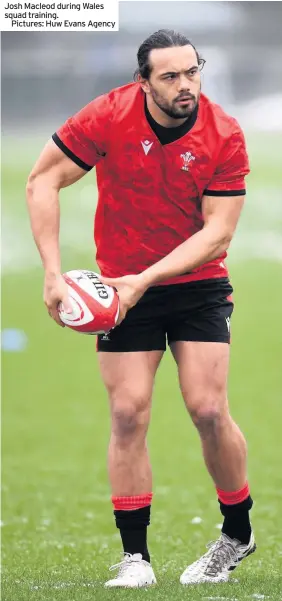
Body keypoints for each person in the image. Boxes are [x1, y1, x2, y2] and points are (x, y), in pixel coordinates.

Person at [26, 29, 256, 588]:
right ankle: (136, 559)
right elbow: (43, 180)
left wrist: (142, 281)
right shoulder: (108, 115)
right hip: (121, 285)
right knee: (128, 413)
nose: (185, 86)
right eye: (170, 76)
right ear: (143, 81)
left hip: (196, 283)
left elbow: (217, 235)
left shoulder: (224, 133)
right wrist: (54, 275)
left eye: (192, 72)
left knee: (206, 409)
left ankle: (236, 534)